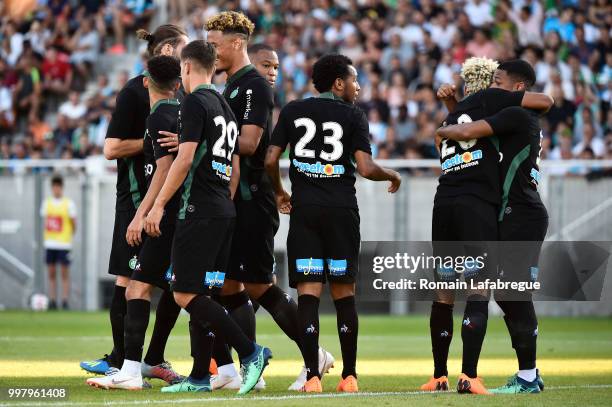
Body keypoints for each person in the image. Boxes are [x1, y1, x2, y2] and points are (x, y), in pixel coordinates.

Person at [205, 11, 334, 391]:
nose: (211, 52)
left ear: (235, 43)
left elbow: (248, 143)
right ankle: (248, 367)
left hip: (252, 201)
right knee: (228, 286)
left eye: (214, 45)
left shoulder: (254, 86)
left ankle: (314, 356)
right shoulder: (229, 86)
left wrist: (200, 145)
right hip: (234, 202)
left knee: (259, 286)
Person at [265, 54, 401, 393]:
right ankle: (350, 377)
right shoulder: (354, 115)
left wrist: (281, 192)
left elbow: (270, 159)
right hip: (341, 212)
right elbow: (367, 168)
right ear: (338, 83)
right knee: (344, 295)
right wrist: (392, 173)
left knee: (309, 294)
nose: (358, 87)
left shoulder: (294, 110)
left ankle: (312, 377)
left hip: (305, 212)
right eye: (354, 80)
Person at [143, 39, 272, 395]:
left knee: (184, 294)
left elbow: (183, 160)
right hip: (222, 211)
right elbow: (233, 165)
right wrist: (223, 203)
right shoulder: (224, 106)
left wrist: (157, 207)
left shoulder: (195, 103)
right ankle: (200, 376)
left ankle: (251, 351)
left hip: (197, 210)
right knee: (204, 293)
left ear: (185, 67)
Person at [423, 57, 553, 394]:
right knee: (508, 296)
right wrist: (454, 106)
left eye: (499, 81)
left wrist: (444, 128)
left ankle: (527, 376)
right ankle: (526, 375)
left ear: (517, 87)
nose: (494, 88)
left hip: (520, 212)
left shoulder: (514, 112)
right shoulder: (509, 113)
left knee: (514, 295)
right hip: (509, 211)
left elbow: (467, 130)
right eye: (491, 82)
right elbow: (473, 123)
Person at [79, 25, 187, 381]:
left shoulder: (182, 92)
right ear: (169, 50)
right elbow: (111, 148)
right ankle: (120, 360)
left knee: (175, 283)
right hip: (138, 200)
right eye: (183, 48)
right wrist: (152, 141)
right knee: (129, 280)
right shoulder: (134, 92)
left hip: (169, 200)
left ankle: (152, 358)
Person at [41, 175, 76, 310]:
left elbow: (74, 223)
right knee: (51, 273)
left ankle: (65, 300)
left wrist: (68, 236)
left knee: (64, 273)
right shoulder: (46, 203)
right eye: (54, 187)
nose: (56, 190)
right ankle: (53, 300)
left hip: (64, 244)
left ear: (61, 188)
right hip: (50, 243)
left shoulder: (68, 204)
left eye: (58, 187)